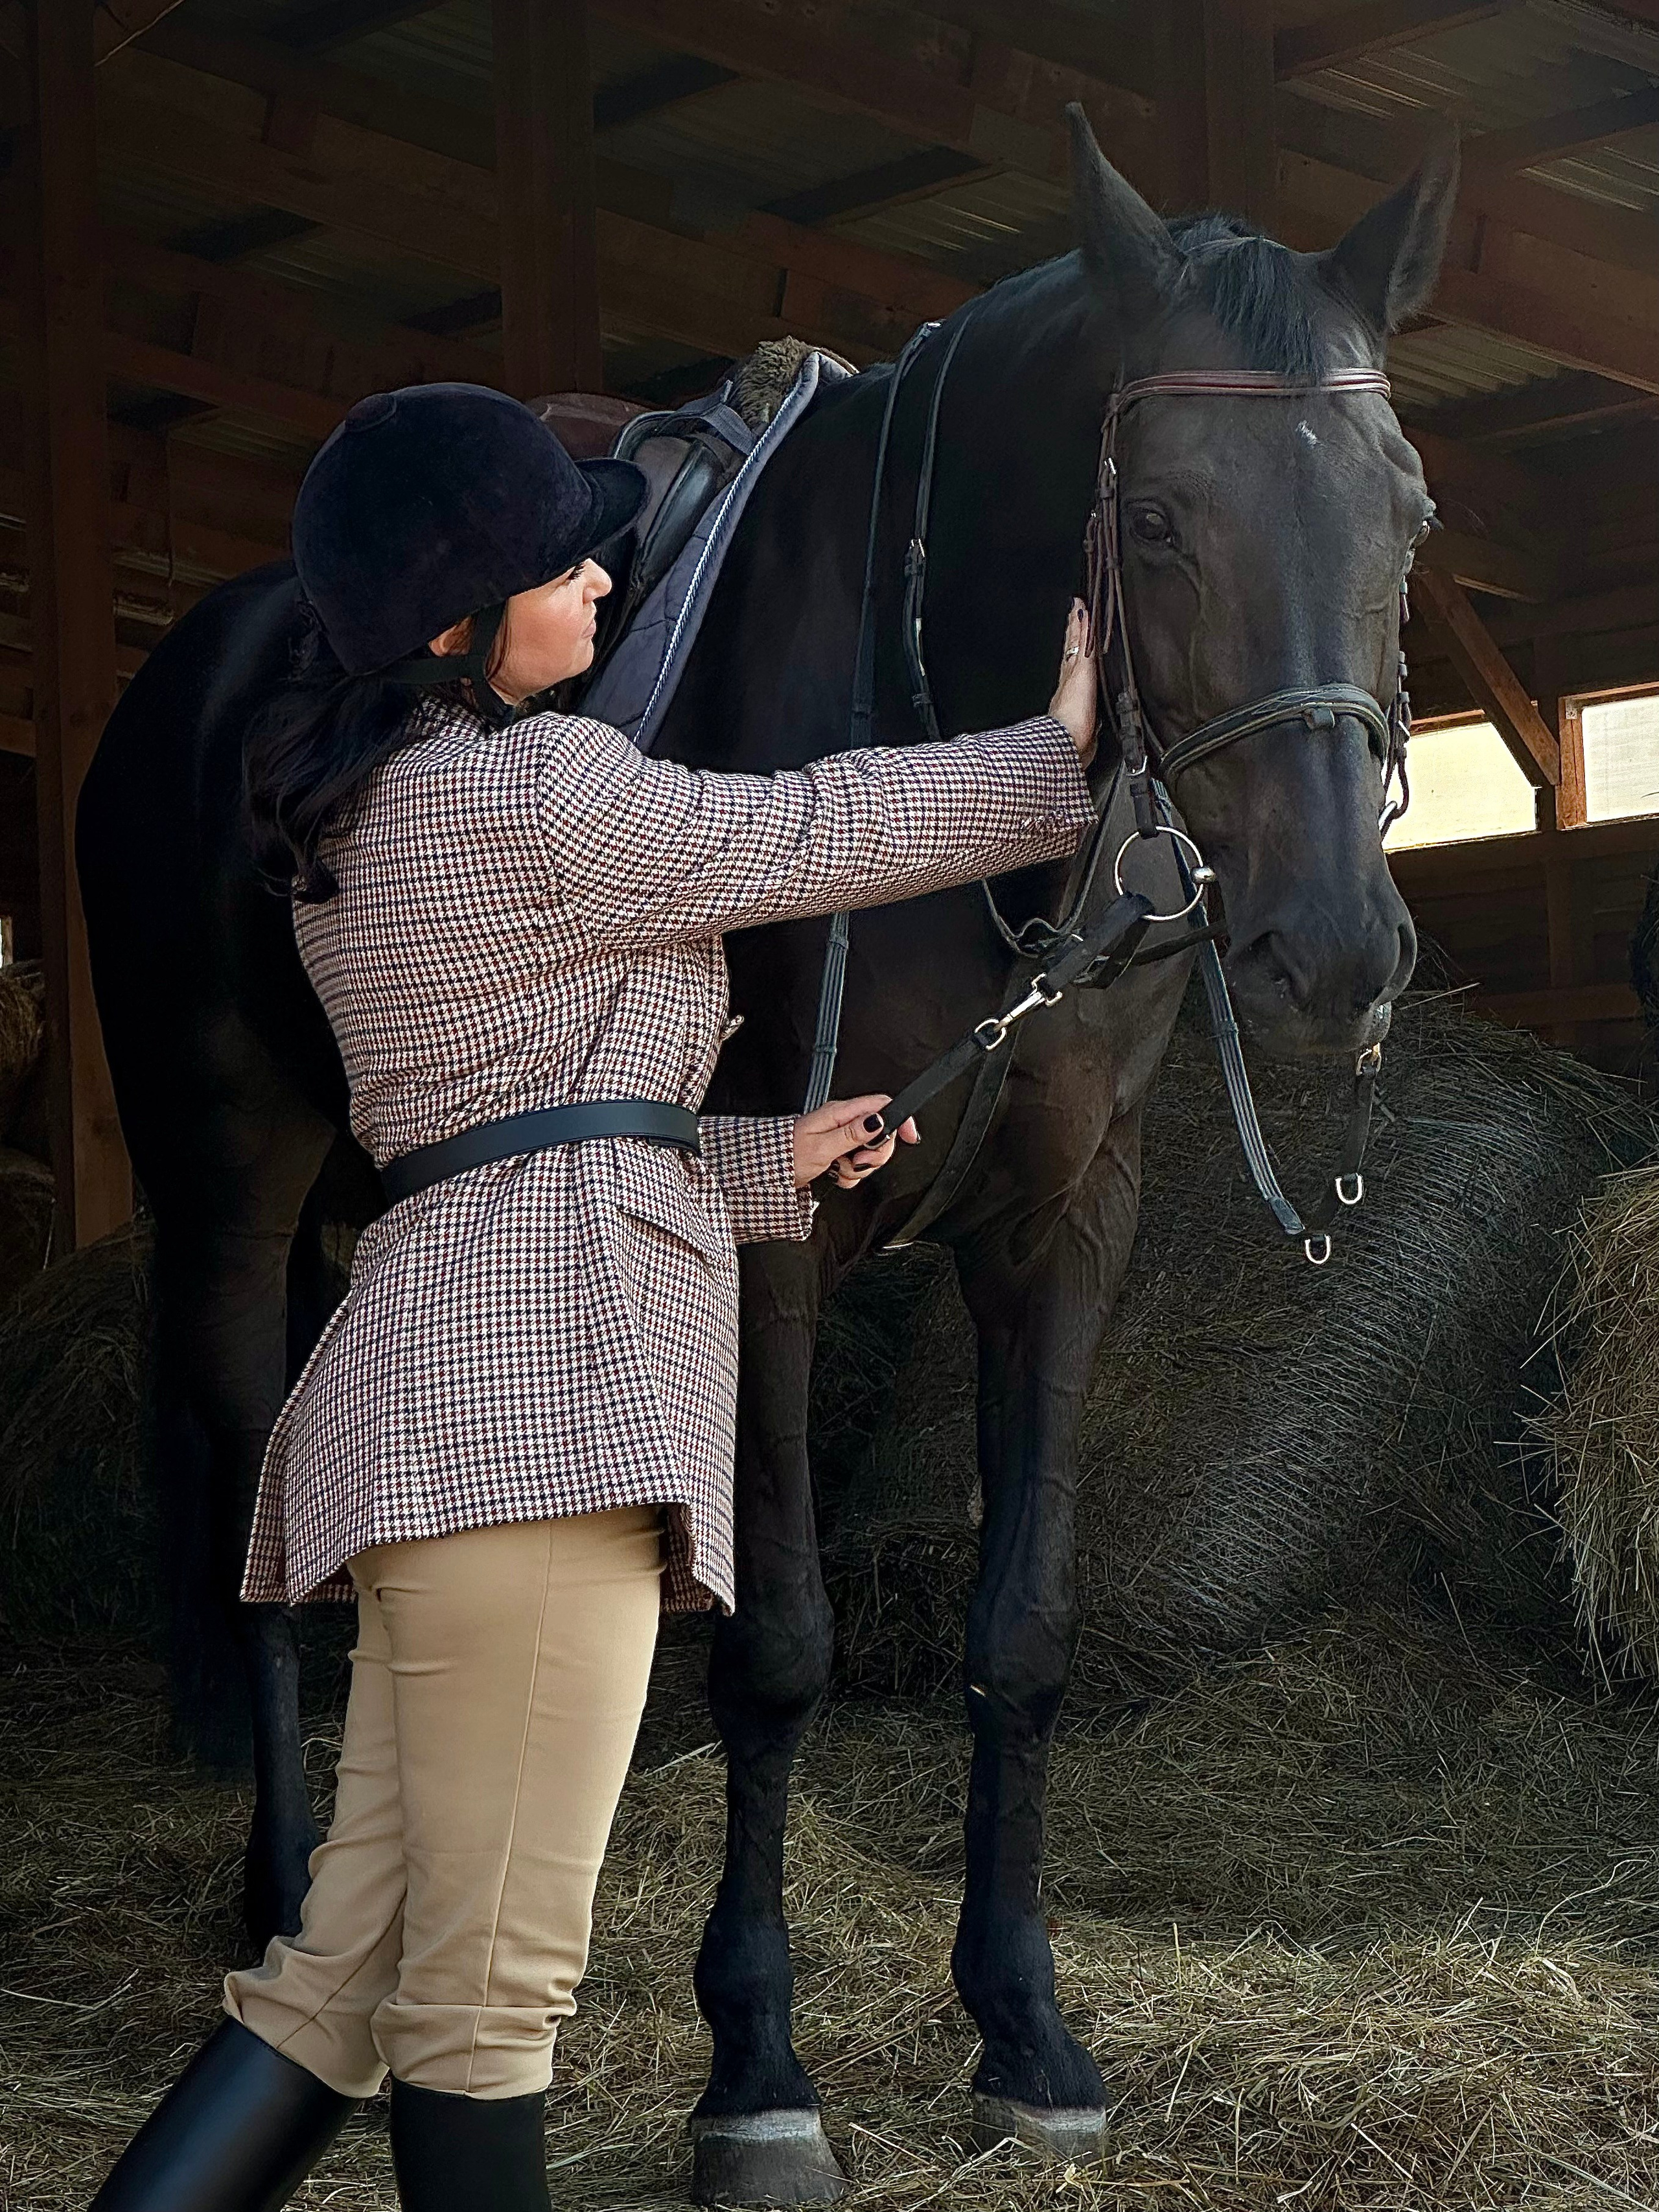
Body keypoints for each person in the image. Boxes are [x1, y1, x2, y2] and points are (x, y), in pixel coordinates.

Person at [91, 381, 1098, 2212]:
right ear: (456, 623)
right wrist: (1056, 750)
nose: (603, 584)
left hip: (441, 1405)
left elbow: (505, 1130)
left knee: (337, 1986)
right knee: (488, 2005)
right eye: (563, 566)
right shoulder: (540, 790)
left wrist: (757, 1166)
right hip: (544, 1428)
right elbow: (807, 832)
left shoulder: (369, 810)